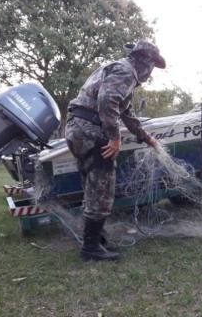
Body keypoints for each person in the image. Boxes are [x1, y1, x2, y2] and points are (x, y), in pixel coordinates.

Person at [65, 40, 166, 261]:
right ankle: (91, 248)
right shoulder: (126, 72)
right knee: (102, 190)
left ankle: (96, 241)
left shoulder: (117, 69)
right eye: (152, 67)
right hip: (92, 132)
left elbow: (126, 112)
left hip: (77, 128)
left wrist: (146, 138)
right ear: (145, 62)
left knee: (92, 188)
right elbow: (107, 101)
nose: (150, 74)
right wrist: (114, 138)